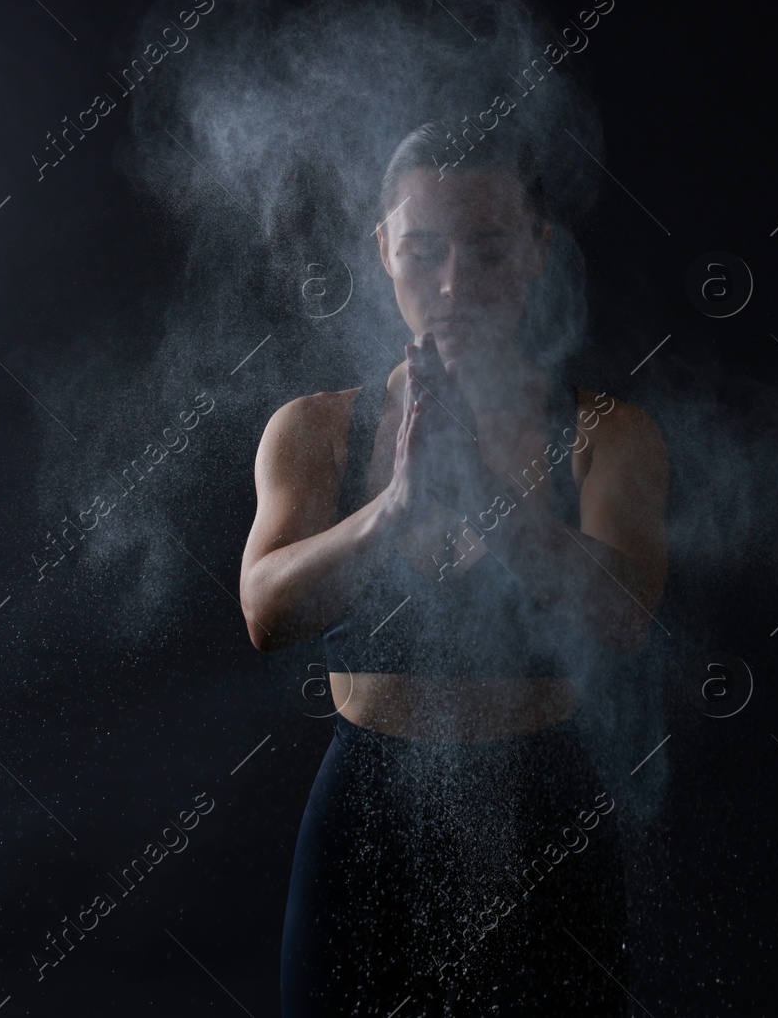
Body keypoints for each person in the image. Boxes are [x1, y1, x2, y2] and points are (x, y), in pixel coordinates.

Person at [240, 119, 668, 1016]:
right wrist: (394, 507)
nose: (452, 284)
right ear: (382, 248)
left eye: (488, 250)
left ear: (539, 252)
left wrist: (485, 499)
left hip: (543, 808)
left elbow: (625, 617)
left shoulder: (606, 432)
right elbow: (265, 609)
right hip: (368, 812)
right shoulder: (318, 429)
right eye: (424, 249)